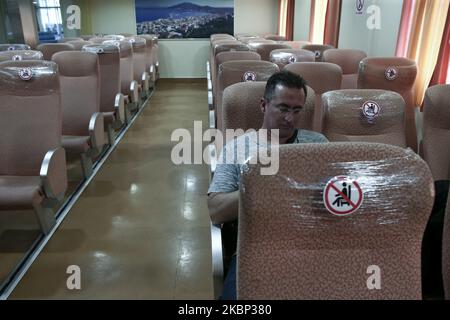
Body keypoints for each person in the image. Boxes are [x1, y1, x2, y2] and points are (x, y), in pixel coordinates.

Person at [207, 71, 329, 299]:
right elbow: (216, 210)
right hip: (256, 248)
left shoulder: (318, 145)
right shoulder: (237, 148)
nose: (290, 118)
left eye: (296, 110)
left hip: (312, 245)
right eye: (283, 108)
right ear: (263, 105)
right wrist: (265, 189)